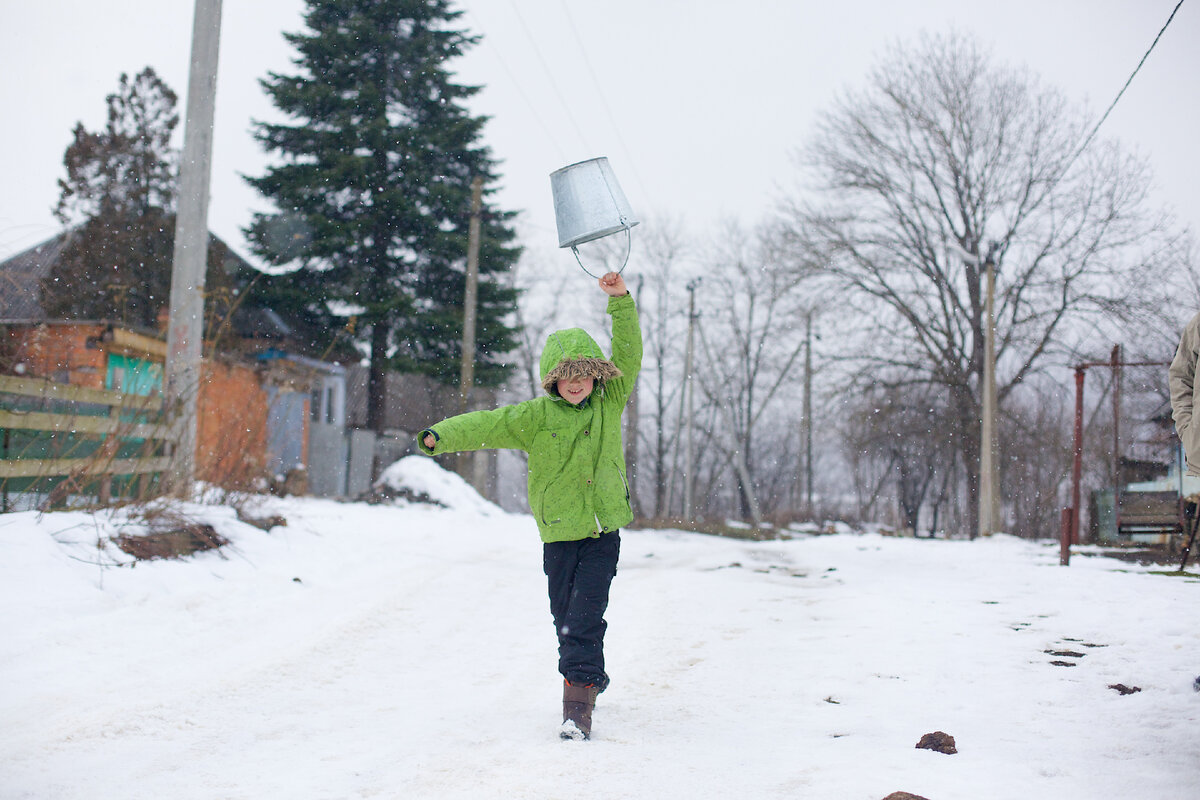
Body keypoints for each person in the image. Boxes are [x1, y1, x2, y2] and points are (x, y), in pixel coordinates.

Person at [418, 270, 642, 738]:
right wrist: (440, 436)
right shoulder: (535, 418)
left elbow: (629, 352)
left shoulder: (610, 401)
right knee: (566, 619)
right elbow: (485, 423)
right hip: (559, 532)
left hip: (602, 532)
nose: (576, 384)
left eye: (583, 374)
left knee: (582, 618)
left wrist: (620, 300)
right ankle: (589, 676)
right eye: (566, 377)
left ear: (595, 375)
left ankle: (576, 710)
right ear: (553, 381)